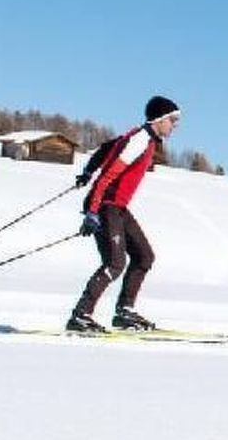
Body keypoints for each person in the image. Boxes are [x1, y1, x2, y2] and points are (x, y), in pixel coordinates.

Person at [67, 96, 183, 334]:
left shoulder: (143, 138)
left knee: (144, 257)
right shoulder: (139, 140)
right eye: (173, 120)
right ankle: (81, 316)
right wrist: (92, 211)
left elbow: (105, 149)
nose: (175, 125)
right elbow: (108, 176)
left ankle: (125, 312)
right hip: (105, 206)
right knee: (114, 263)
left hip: (118, 207)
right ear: (159, 119)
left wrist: (88, 170)